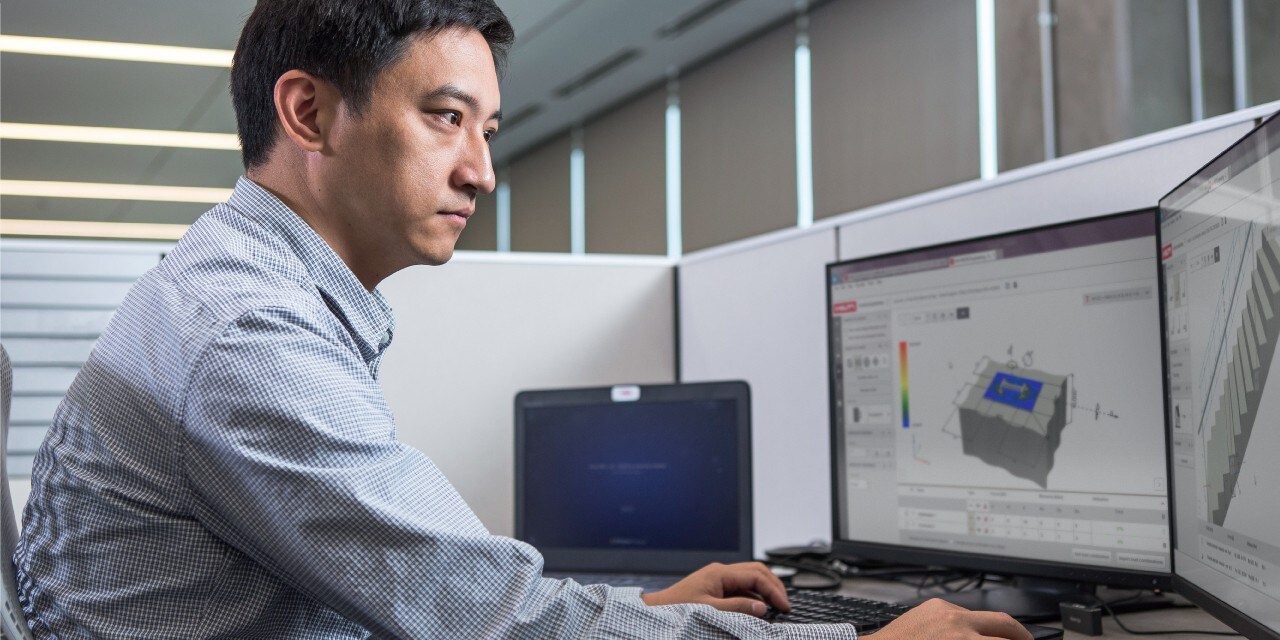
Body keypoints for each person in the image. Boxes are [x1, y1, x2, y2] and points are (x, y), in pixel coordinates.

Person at [12, 1, 1033, 638]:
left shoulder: (239, 294)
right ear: (308, 113)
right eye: (445, 117)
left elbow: (430, 595)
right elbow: (487, 623)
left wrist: (644, 612)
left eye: (486, 129)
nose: (482, 170)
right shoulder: (247, 337)